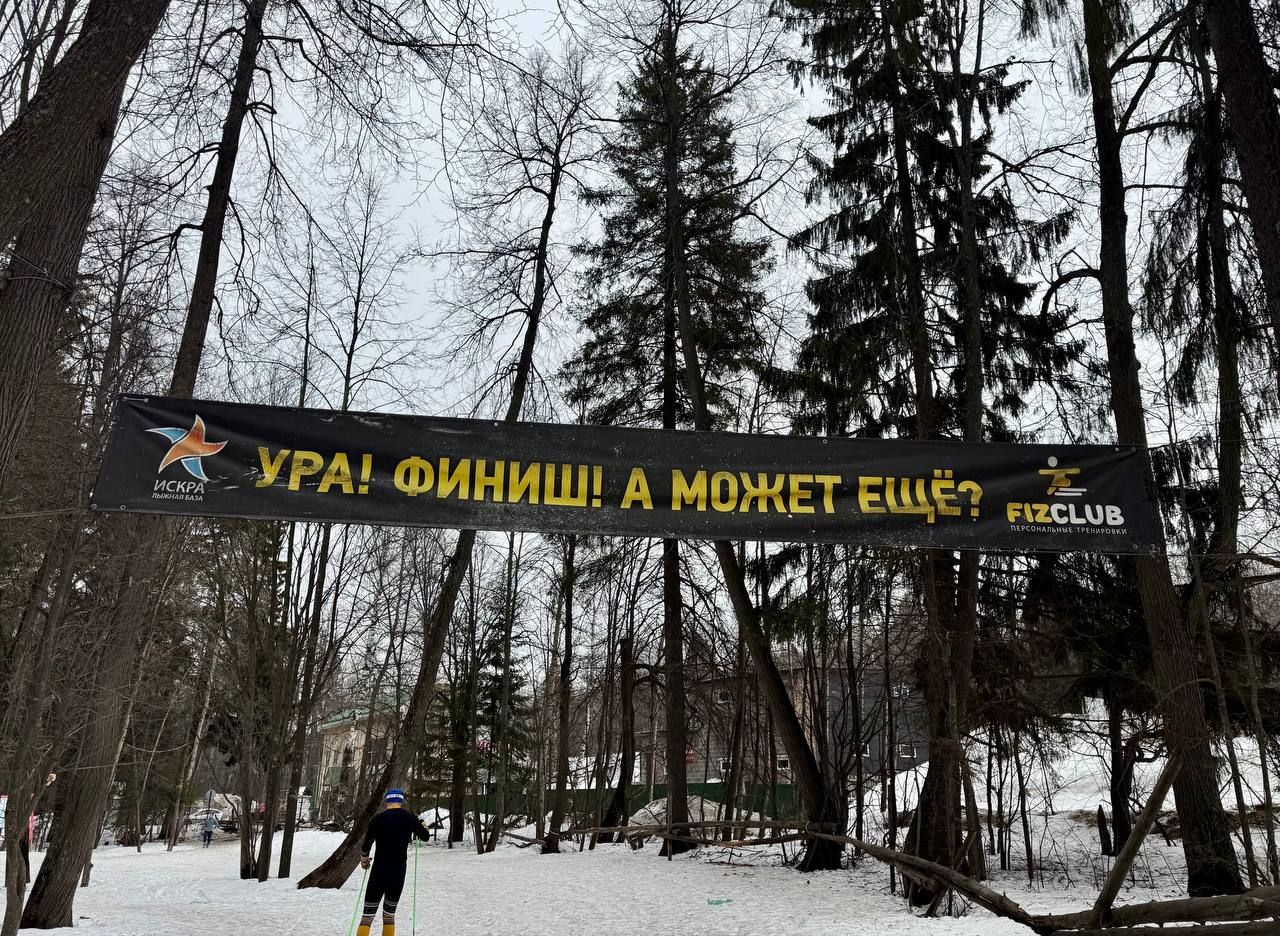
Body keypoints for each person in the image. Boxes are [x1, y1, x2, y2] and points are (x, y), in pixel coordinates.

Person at [357, 789, 429, 936]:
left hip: (378, 872)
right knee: (389, 915)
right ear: (401, 801)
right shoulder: (409, 818)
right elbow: (425, 836)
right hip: (398, 872)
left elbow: (366, 846)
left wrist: (364, 861)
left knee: (367, 915)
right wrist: (423, 823)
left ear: (387, 801)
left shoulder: (377, 819)